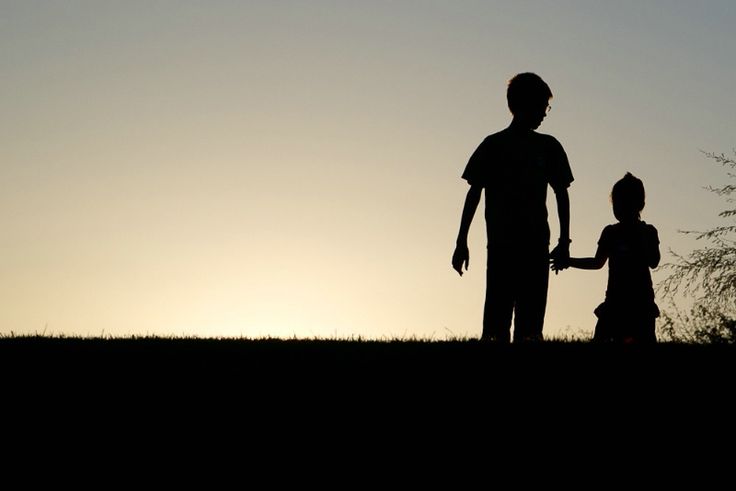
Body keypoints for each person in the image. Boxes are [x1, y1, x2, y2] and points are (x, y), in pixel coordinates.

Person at [452, 73, 574, 343]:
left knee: (530, 329)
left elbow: (561, 193)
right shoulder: (493, 145)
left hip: (534, 245)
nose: (545, 113)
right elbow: (474, 192)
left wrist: (564, 240)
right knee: (496, 325)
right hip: (502, 246)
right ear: (524, 105)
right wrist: (461, 241)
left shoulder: (549, 147)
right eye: (543, 105)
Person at [551, 173, 660, 343]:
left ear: (640, 205)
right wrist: (569, 261)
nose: (619, 209)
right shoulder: (611, 233)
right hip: (615, 302)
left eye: (624, 203)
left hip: (641, 304)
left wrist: (642, 242)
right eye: (616, 204)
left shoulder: (648, 232)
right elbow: (597, 262)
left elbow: (654, 262)